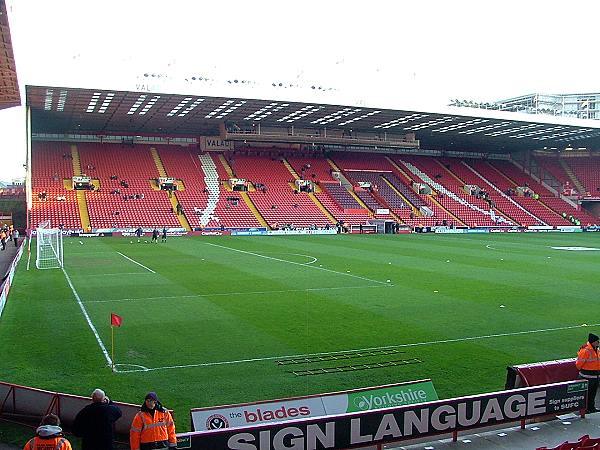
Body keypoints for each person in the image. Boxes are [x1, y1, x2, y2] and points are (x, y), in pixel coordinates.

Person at [576, 333, 600, 413]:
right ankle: (585, 409)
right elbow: (578, 364)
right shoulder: (585, 350)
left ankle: (591, 407)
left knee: (592, 394)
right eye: (597, 341)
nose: (598, 343)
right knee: (586, 394)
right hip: (586, 377)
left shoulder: (596, 349)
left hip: (595, 376)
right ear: (593, 342)